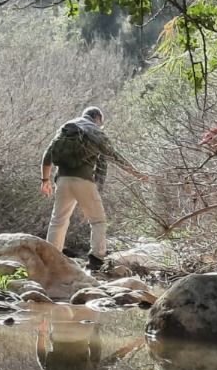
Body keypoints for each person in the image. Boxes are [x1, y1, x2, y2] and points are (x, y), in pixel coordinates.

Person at [40, 106, 143, 271]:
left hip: (62, 180)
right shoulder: (94, 130)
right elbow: (114, 156)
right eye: (101, 122)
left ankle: (50, 258)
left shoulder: (66, 128)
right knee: (97, 220)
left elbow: (47, 155)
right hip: (84, 181)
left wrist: (45, 180)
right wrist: (137, 173)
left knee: (58, 220)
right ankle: (96, 259)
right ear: (97, 118)